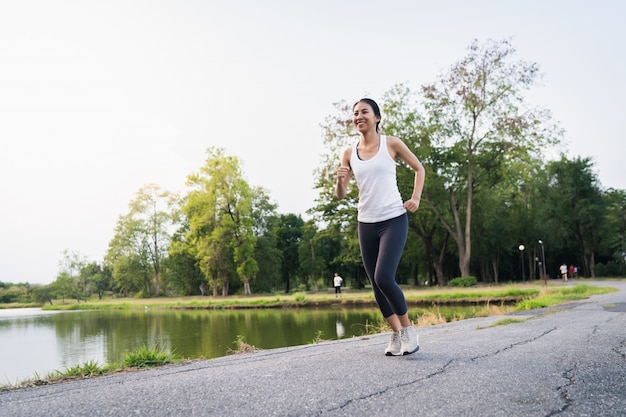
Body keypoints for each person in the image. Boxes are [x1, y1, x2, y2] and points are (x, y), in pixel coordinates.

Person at [335, 98, 425, 356]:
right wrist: (341, 181)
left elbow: (419, 168)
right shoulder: (349, 153)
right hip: (366, 222)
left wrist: (415, 197)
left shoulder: (391, 143)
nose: (358, 116)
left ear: (376, 117)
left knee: (383, 276)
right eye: (355, 113)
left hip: (393, 218)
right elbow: (341, 195)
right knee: (376, 286)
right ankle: (395, 334)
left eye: (364, 112)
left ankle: (409, 331)